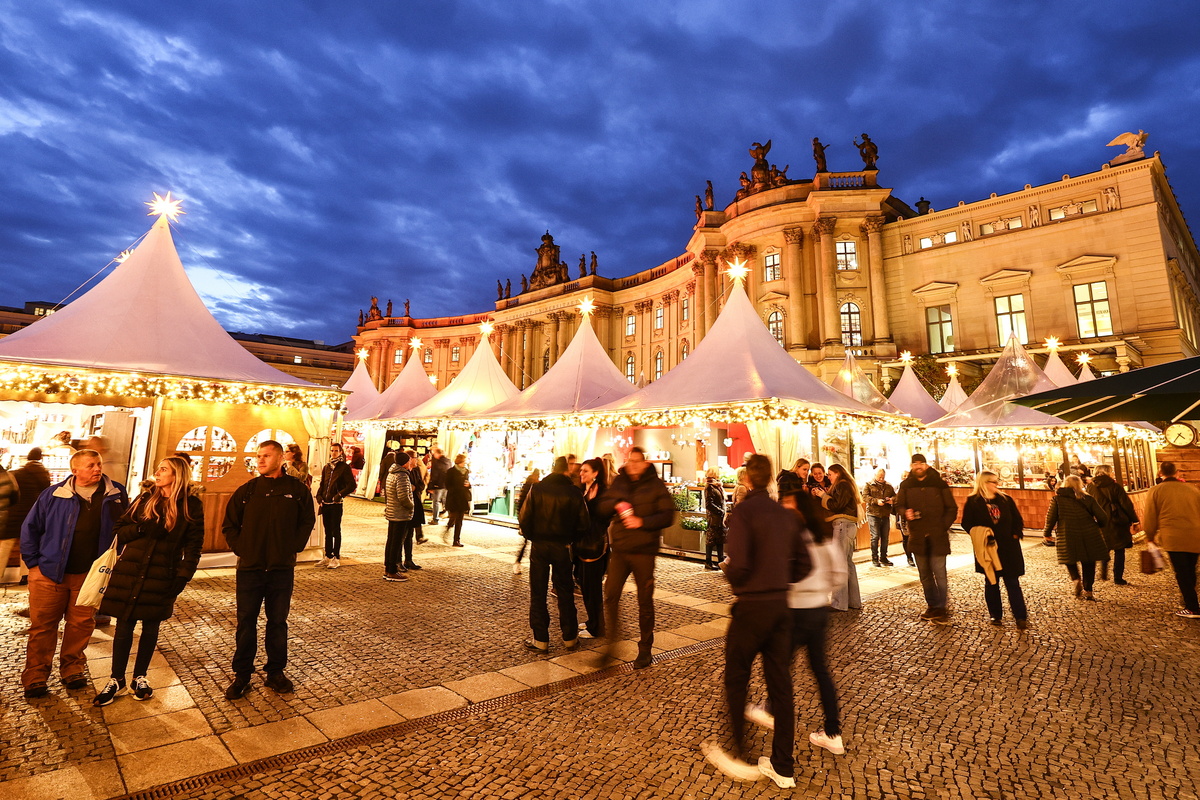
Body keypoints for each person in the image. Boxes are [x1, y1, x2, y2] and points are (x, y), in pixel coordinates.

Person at [702, 454, 810, 788]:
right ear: (771, 481)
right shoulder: (785, 514)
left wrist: (731, 573)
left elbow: (740, 564)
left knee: (736, 678)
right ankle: (783, 767)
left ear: (749, 479)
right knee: (781, 685)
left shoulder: (744, 512)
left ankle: (739, 754)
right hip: (781, 606)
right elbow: (805, 565)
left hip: (751, 607)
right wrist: (780, 577)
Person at [93, 456, 204, 705]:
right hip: (130, 572)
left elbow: (194, 546)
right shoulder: (145, 498)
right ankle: (116, 679)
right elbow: (119, 530)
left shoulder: (191, 506)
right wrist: (142, 528)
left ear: (177, 475)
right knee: (123, 627)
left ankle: (140, 677)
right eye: (158, 468)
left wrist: (183, 576)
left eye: (164, 469)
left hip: (162, 575)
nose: (158, 472)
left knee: (151, 628)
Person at [20, 449, 129, 699]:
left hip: (89, 575)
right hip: (49, 573)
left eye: (98, 464)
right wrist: (34, 564)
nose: (97, 469)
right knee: (43, 626)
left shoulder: (116, 493)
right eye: (90, 465)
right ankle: (36, 676)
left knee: (81, 625)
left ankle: (73, 669)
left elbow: (126, 526)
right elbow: (31, 528)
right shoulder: (54, 495)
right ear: (75, 470)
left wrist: (115, 558)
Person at [222, 440, 316, 700]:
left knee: (277, 623)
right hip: (250, 570)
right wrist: (243, 548)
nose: (260, 460)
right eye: (258, 456)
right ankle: (242, 675)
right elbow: (230, 524)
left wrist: (293, 547)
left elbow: (308, 520)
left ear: (280, 459)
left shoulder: (296, 490)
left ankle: (275, 672)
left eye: (265, 456)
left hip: (280, 570)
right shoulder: (248, 491)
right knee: (246, 622)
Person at [599, 447, 676, 669]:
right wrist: (616, 504)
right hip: (621, 549)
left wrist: (642, 522)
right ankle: (611, 645)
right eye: (630, 461)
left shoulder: (655, 485)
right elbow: (602, 506)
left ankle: (645, 648)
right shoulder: (619, 482)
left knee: (645, 600)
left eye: (637, 462)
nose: (632, 465)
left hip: (644, 550)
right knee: (610, 595)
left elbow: (668, 515)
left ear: (644, 464)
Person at [519, 457, 590, 652]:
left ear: (552, 470)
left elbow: (524, 518)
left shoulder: (537, 489)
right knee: (565, 591)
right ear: (566, 471)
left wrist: (533, 536)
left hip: (540, 547)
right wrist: (569, 538)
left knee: (538, 593)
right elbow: (584, 524)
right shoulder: (574, 492)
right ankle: (570, 637)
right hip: (563, 547)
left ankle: (540, 639)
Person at [895, 454, 958, 623]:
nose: (918, 466)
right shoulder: (906, 485)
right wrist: (904, 512)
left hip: (937, 537)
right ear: (911, 466)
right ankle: (932, 606)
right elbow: (898, 504)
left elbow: (952, 508)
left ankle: (942, 608)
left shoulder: (939, 484)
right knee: (925, 575)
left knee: (940, 574)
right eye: (915, 464)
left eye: (920, 463)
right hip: (918, 537)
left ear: (926, 465)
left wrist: (942, 526)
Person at [961, 471, 1028, 629]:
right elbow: (967, 523)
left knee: (1012, 582)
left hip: (1008, 547)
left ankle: (1020, 616)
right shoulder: (973, 502)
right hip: (988, 548)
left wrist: (1015, 534)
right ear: (983, 483)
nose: (996, 485)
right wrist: (982, 534)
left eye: (997, 481)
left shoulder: (1005, 500)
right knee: (991, 581)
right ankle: (995, 615)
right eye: (993, 482)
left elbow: (1017, 519)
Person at [1141, 461, 1200, 618]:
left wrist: (1150, 536)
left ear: (1160, 473)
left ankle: (1192, 607)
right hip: (1195, 535)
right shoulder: (1192, 489)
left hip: (1173, 537)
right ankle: (1188, 599)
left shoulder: (1156, 490)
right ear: (1177, 472)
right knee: (1190, 569)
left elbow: (1150, 516)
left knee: (1182, 572)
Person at [1042, 474, 1109, 602]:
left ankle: (1076, 579)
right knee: (1089, 562)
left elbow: (1050, 519)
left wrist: (1047, 533)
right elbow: (1103, 517)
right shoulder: (1088, 498)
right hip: (1089, 533)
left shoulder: (1057, 500)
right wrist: (1098, 526)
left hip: (1067, 533)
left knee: (1069, 558)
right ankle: (1088, 590)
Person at [814, 464, 861, 611]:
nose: (829, 477)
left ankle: (839, 603)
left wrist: (823, 496)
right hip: (848, 526)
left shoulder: (842, 484)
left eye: (830, 474)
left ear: (838, 473)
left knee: (840, 563)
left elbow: (837, 505)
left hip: (842, 525)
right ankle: (854, 601)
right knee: (847, 563)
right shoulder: (845, 485)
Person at [3, 449, 51, 586]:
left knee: (5, 546)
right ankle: (25, 575)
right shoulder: (44, 474)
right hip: (32, 515)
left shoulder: (17, 472)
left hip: (14, 514)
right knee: (28, 546)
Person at [576, 458, 611, 639]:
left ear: (596, 473)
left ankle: (597, 627)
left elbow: (605, 516)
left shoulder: (602, 492)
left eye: (585, 471)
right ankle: (592, 621)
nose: (581, 474)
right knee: (585, 584)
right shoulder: (586, 490)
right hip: (584, 544)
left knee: (592, 587)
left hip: (595, 546)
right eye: (581, 470)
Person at [1087, 465, 1138, 585]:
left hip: (1100, 521)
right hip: (1116, 521)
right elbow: (1126, 505)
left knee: (1105, 547)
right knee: (1119, 550)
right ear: (1108, 473)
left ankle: (1104, 572)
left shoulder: (1090, 487)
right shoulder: (1115, 487)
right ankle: (1118, 577)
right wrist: (1135, 520)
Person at [315, 443, 356, 569]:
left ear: (341, 452)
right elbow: (323, 483)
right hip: (326, 503)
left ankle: (336, 557)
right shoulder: (327, 467)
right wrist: (319, 496)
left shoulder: (344, 467)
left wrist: (339, 495)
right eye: (332, 450)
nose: (333, 453)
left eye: (336, 451)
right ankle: (328, 555)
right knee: (327, 530)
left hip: (336, 504)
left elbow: (351, 485)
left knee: (335, 530)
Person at [382, 452, 414, 582]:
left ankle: (388, 568)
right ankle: (392, 571)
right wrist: (411, 505)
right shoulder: (402, 475)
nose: (411, 462)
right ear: (405, 462)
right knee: (396, 543)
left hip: (392, 511)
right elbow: (403, 496)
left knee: (391, 541)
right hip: (400, 513)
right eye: (409, 460)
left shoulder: (391, 473)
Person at [863, 468, 896, 568]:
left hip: (885, 514)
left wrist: (891, 500)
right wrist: (876, 501)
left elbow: (895, 496)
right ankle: (874, 558)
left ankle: (883, 558)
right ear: (875, 475)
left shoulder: (889, 486)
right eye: (879, 476)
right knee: (875, 536)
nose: (881, 479)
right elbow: (864, 497)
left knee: (885, 538)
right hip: (873, 514)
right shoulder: (869, 485)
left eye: (883, 477)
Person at [512, 467, 541, 574]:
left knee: (527, 542)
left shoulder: (530, 486)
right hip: (529, 518)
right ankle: (518, 562)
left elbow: (520, 504)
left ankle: (519, 563)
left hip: (530, 518)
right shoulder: (532, 486)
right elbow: (522, 504)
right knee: (526, 542)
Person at [443, 453, 471, 547]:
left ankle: (456, 540)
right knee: (453, 517)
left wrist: (468, 485)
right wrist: (457, 487)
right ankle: (448, 527)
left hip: (462, 498)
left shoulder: (466, 471)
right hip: (454, 498)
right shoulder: (451, 471)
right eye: (464, 461)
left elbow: (467, 483)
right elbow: (447, 485)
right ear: (459, 461)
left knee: (460, 520)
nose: (465, 463)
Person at [704, 468, 727, 570]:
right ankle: (708, 561)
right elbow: (709, 504)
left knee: (719, 539)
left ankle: (720, 561)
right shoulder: (710, 487)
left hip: (719, 517)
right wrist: (720, 511)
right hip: (714, 518)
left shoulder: (717, 486)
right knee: (711, 539)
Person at [407, 451, 429, 549]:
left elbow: (421, 484)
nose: (418, 459)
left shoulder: (415, 471)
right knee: (406, 533)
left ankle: (419, 537)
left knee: (416, 520)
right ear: (410, 458)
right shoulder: (404, 472)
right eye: (416, 457)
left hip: (416, 499)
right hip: (407, 504)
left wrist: (416, 488)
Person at [427, 447, 451, 524]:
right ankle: (451, 518)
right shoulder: (448, 461)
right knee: (445, 501)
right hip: (446, 484)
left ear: (438, 453)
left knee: (436, 502)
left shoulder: (437, 462)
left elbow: (434, 474)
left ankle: (435, 519)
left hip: (438, 485)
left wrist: (431, 486)